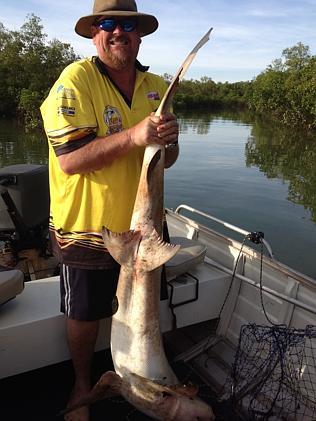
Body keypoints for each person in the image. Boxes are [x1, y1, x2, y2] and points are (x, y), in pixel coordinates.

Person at [40, 0, 179, 420]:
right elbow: (70, 159)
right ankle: (82, 386)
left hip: (145, 227)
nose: (119, 31)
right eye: (108, 23)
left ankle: (142, 376)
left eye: (128, 25)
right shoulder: (76, 80)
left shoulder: (156, 85)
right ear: (94, 33)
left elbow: (167, 160)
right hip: (86, 226)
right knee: (83, 313)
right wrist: (137, 135)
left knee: (147, 309)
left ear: (140, 34)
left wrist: (169, 141)